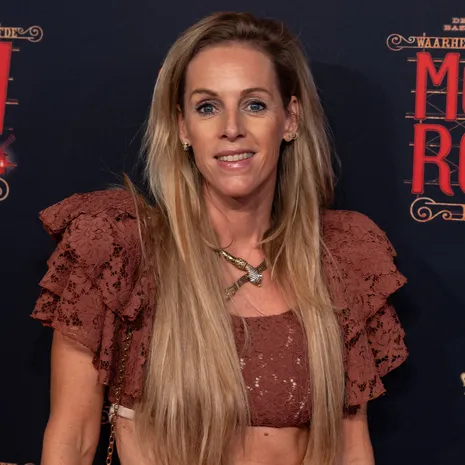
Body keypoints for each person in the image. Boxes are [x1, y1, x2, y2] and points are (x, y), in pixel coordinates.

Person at [32, 11, 408, 465]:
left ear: (290, 119)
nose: (231, 127)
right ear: (182, 127)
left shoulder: (340, 259)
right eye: (207, 107)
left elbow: (351, 449)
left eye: (255, 104)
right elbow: (72, 439)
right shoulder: (121, 251)